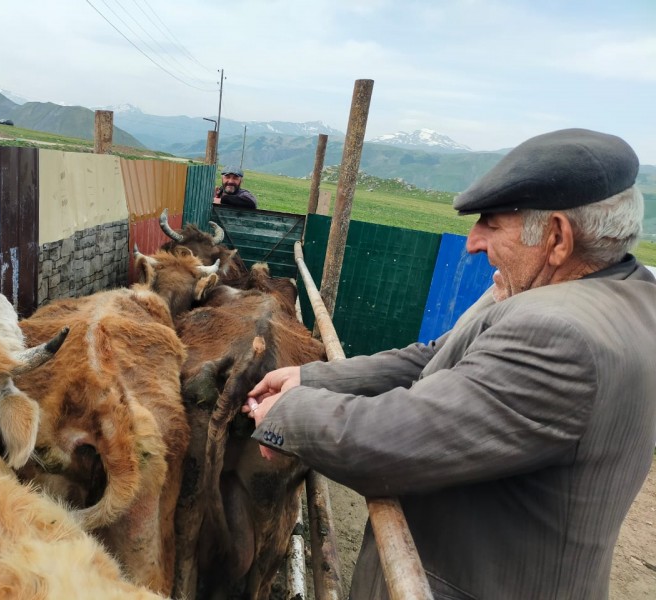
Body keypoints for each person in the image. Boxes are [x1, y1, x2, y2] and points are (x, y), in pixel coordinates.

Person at [242, 128, 656, 600]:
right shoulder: (617, 295)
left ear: (558, 237)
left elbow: (395, 440)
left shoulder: (561, 336)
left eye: (492, 224)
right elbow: (436, 355)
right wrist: (310, 375)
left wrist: (287, 414)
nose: (473, 243)